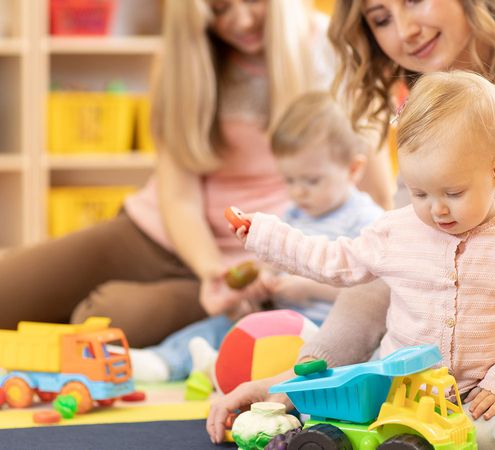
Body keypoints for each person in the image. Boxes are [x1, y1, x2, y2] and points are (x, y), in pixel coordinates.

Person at [207, 0, 495, 442]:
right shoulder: (424, 154)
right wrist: (296, 386)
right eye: (380, 18)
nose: (406, 30)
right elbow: (372, 278)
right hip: (448, 389)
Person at [0, 0, 395, 348]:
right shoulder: (182, 59)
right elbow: (178, 197)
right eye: (220, 9)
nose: (241, 20)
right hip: (162, 236)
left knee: (105, 318)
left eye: (254, 2)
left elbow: (375, 183)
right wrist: (210, 269)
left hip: (258, 266)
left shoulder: (329, 47)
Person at [127, 91, 384, 382]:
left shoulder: (367, 220)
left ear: (353, 169)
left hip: (330, 328)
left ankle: (222, 369)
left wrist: (310, 289)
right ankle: (165, 360)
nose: (298, 191)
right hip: (280, 316)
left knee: (295, 355)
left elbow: (374, 292)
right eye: (288, 180)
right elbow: (274, 262)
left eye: (311, 180)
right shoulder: (295, 214)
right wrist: (263, 281)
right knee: (226, 325)